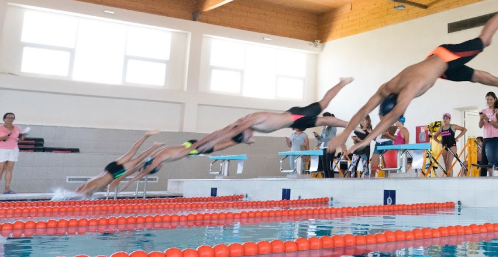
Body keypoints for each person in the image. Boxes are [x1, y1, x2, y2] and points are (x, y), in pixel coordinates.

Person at [329, 0, 498, 157]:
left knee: (484, 41)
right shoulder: (387, 88)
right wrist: (345, 134)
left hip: (445, 57)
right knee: (475, 76)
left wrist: (367, 139)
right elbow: (364, 109)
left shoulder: (408, 90)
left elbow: (391, 115)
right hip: (438, 67)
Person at [132, 79, 353, 179]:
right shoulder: (246, 125)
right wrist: (238, 140)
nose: (249, 136)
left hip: (295, 116)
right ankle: (348, 123)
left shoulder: (249, 121)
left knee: (323, 106)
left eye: (246, 135)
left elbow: (227, 133)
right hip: (293, 120)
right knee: (324, 121)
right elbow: (226, 133)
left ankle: (342, 83)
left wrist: (206, 143)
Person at [76, 130, 163, 197]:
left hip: (115, 173)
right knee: (131, 152)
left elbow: (78, 195)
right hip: (108, 168)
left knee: (138, 159)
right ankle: (145, 136)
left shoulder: (87, 188)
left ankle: (155, 146)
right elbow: (81, 192)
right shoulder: (87, 184)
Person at [479, 92, 498, 176]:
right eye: (487, 99)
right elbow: (480, 126)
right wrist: (481, 119)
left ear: (494, 100)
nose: (489, 101)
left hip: (497, 138)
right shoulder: (483, 111)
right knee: (484, 161)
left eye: (491, 99)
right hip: (486, 138)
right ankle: (482, 180)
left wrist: (488, 119)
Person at [0, 112, 24, 194]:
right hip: (2, 150)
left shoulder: (17, 127)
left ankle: (7, 189)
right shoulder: (0, 128)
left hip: (13, 149)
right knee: (1, 169)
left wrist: (22, 137)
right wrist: (2, 138)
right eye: (8, 118)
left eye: (12, 118)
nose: (10, 119)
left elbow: (18, 136)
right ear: (4, 119)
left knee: (9, 169)